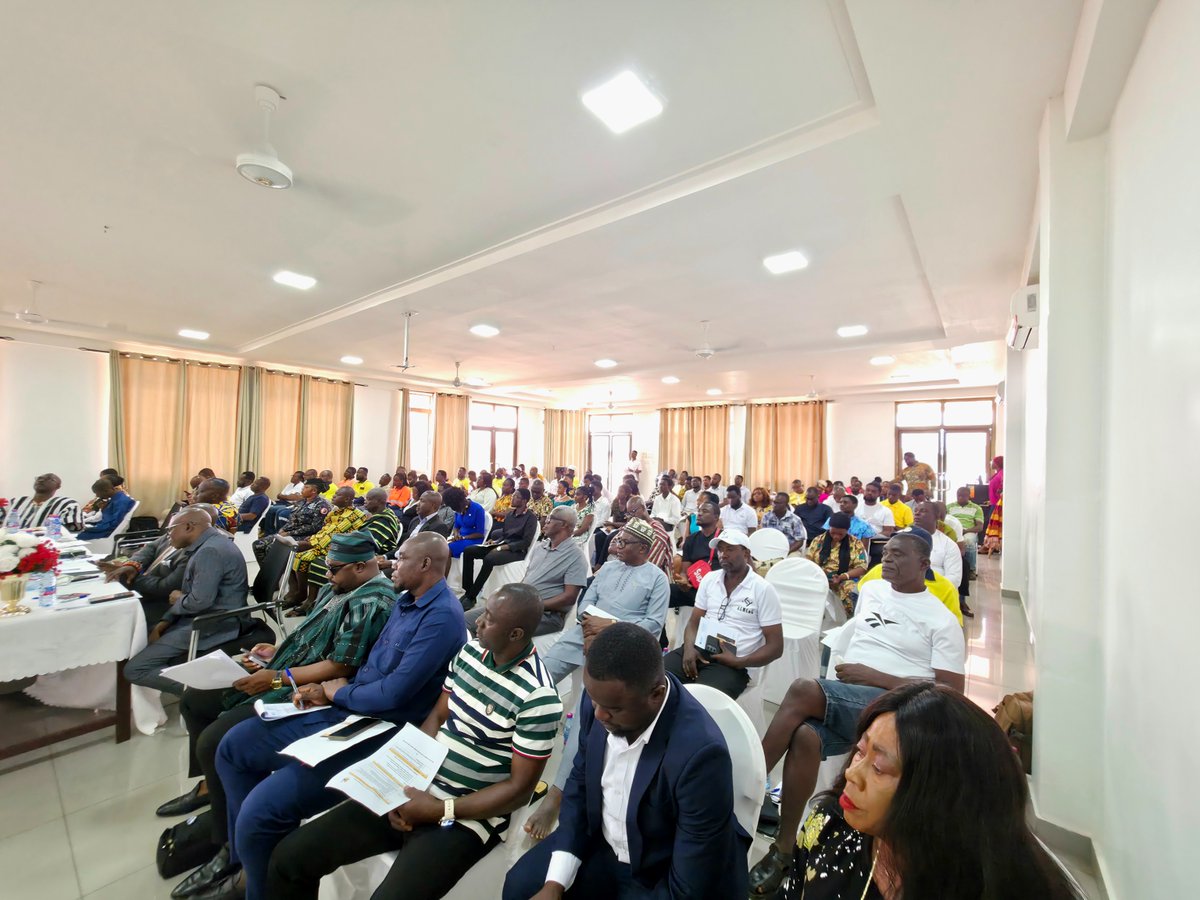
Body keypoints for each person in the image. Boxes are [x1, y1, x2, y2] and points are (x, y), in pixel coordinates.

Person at [207, 534, 466, 900]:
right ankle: (248, 862)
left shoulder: (441, 618)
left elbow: (393, 693)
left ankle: (256, 881)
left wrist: (336, 691)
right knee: (232, 746)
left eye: (401, 557)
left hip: (380, 727)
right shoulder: (407, 600)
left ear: (425, 565)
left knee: (261, 811)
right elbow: (372, 666)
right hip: (349, 704)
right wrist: (323, 690)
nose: (392, 563)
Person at [266, 584, 561, 899]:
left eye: (489, 619)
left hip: (467, 816)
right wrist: (402, 777)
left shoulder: (538, 696)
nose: (478, 622)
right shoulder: (471, 652)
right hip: (417, 789)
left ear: (515, 634)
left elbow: (519, 791)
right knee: (289, 859)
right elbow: (437, 717)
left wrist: (439, 809)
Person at [158, 532, 396, 898]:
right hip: (288, 669)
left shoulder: (373, 602)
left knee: (217, 740)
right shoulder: (343, 586)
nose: (327, 576)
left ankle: (231, 848)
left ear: (362, 567)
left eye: (334, 570)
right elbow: (311, 636)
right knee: (195, 701)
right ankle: (217, 807)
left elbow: (340, 663)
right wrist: (276, 652)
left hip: (311, 687)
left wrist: (279, 676)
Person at [749, 529, 966, 897]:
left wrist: (874, 676)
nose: (888, 560)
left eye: (899, 555)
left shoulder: (941, 620)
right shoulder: (873, 591)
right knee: (804, 737)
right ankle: (784, 849)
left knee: (803, 689)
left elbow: (949, 692)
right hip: (853, 697)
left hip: (897, 706)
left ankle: (747, 781)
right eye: (887, 554)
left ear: (924, 564)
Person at [504, 623, 750, 900]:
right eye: (595, 702)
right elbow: (580, 785)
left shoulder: (701, 755)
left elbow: (689, 883)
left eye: (613, 709)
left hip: (662, 868)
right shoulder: (600, 698)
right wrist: (555, 884)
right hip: (604, 842)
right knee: (520, 888)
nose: (598, 716)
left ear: (656, 695)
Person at [783, 683, 1080, 900]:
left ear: (938, 797)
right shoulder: (831, 826)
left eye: (880, 768)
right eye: (861, 752)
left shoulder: (988, 886)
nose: (851, 773)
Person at [523, 520, 670, 842]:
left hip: (618, 649)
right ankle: (510, 757)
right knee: (533, 679)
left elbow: (654, 625)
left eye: (626, 540)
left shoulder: (657, 579)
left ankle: (555, 797)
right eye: (619, 537)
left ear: (644, 549)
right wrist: (591, 626)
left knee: (581, 718)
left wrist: (611, 628)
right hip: (582, 635)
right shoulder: (607, 569)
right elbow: (583, 606)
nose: (617, 542)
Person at [122, 508, 249, 695]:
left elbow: (198, 602)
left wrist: (177, 599)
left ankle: (211, 693)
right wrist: (165, 621)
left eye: (170, 529)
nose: (168, 535)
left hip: (212, 622)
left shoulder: (210, 552)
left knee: (135, 669)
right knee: (142, 632)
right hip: (200, 615)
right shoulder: (206, 544)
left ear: (189, 527)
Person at [665, 531, 783, 698]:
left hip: (736, 663)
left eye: (730, 549)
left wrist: (740, 662)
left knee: (701, 700)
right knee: (655, 679)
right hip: (700, 649)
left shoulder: (762, 589)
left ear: (746, 553)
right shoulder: (710, 580)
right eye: (720, 549)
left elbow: (776, 647)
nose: (723, 554)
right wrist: (689, 649)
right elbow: (693, 623)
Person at [466, 506, 588, 638]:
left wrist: (532, 605)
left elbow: (569, 598)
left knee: (489, 628)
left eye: (550, 519)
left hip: (545, 614)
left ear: (563, 524)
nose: (545, 522)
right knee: (464, 620)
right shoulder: (541, 548)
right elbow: (528, 578)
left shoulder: (576, 556)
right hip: (519, 604)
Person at [303, 489, 401, 605]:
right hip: (362, 553)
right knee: (319, 558)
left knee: (321, 562)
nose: (365, 502)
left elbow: (367, 545)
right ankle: (314, 601)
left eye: (368, 499)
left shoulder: (383, 520)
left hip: (370, 559)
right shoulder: (377, 516)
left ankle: (321, 602)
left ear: (379, 501)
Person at [280, 487, 366, 606]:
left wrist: (309, 544)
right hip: (325, 542)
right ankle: (295, 591)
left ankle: (302, 593)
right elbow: (325, 529)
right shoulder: (336, 510)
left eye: (337, 495)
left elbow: (333, 535)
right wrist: (312, 538)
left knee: (301, 556)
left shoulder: (352, 515)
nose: (333, 496)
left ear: (347, 499)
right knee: (291, 553)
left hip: (339, 546)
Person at [103, 523, 199, 623]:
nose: (168, 530)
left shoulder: (194, 554)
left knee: (108, 617)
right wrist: (131, 566)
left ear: (189, 527)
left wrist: (129, 576)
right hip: (140, 589)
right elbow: (150, 548)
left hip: (158, 604)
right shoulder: (173, 533)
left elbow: (165, 587)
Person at [460, 487, 539, 608]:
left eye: (516, 497)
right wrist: (494, 541)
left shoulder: (530, 518)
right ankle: (468, 590)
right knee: (469, 551)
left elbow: (526, 542)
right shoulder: (510, 514)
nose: (512, 498)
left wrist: (507, 546)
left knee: (490, 559)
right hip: (502, 544)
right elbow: (505, 534)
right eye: (513, 496)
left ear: (524, 501)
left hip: (517, 550)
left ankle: (472, 597)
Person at [806, 513, 868, 617]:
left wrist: (842, 577)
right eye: (833, 532)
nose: (836, 536)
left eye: (840, 534)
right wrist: (820, 576)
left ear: (847, 531)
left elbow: (862, 568)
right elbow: (808, 562)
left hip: (843, 579)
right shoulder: (818, 540)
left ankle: (850, 620)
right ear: (829, 528)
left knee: (851, 589)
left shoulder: (855, 543)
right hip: (818, 578)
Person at [668, 500, 722, 616]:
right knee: (661, 593)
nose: (699, 514)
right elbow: (684, 571)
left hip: (718, 590)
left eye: (705, 511)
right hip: (695, 588)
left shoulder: (723, 539)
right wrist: (684, 581)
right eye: (699, 511)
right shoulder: (691, 539)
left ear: (716, 517)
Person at [7, 473, 84, 531]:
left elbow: (72, 529)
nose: (41, 480)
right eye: (39, 478)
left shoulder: (67, 504)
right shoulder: (16, 502)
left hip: (46, 547)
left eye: (50, 479)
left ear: (58, 486)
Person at [911, 502, 962, 589]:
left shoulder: (948, 544)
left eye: (923, 511)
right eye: (915, 511)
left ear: (937, 516)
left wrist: (926, 589)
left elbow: (954, 579)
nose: (917, 513)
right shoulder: (902, 538)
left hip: (936, 592)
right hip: (902, 590)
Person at [946, 486, 984, 577]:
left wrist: (965, 531)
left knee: (969, 541)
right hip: (952, 531)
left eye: (963, 496)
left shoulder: (976, 508)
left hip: (968, 531)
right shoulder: (949, 507)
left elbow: (979, 527)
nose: (960, 498)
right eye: (958, 496)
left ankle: (970, 570)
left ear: (969, 496)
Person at [257, 471, 307, 536]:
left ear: (300, 479)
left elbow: (294, 498)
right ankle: (263, 529)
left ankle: (270, 533)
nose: (292, 477)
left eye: (294, 476)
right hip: (281, 502)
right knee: (265, 506)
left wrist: (284, 496)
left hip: (289, 504)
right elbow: (278, 495)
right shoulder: (289, 485)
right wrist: (287, 496)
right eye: (292, 475)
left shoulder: (301, 485)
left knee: (271, 509)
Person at [445, 486, 487, 559]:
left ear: (460, 501)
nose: (455, 510)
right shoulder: (458, 509)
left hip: (473, 540)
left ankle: (445, 570)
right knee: (440, 547)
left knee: (447, 550)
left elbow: (480, 534)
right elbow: (456, 527)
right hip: (460, 539)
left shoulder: (478, 509)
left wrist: (463, 537)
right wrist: (456, 534)